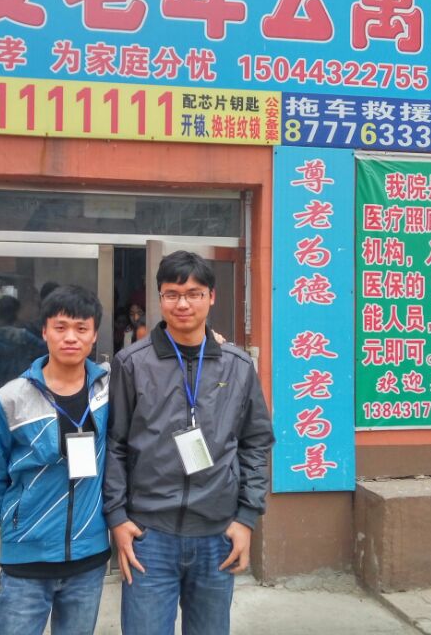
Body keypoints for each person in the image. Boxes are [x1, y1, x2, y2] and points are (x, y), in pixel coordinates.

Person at [104, 251, 274, 635]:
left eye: (194, 294)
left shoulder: (237, 366)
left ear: (211, 297)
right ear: (160, 298)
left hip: (217, 534)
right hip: (149, 535)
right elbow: (115, 444)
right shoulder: (132, 363)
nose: (182, 304)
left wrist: (246, 518)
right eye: (172, 294)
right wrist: (117, 518)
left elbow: (255, 443)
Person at [0, 285, 111, 635]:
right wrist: (19, 521)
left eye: (81, 328)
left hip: (89, 558)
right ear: (44, 331)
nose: (71, 337)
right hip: (27, 561)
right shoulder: (10, 398)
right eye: (60, 327)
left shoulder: (110, 390)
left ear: (94, 335)